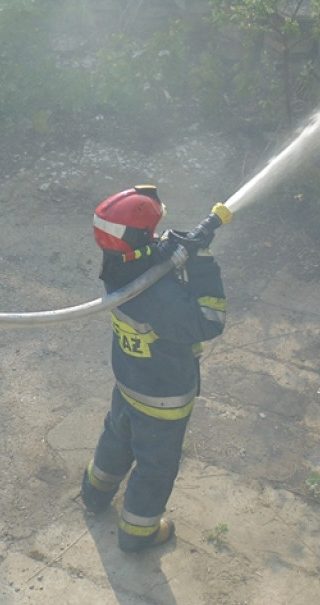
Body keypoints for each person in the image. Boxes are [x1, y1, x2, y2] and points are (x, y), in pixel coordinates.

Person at [81, 185, 230, 552]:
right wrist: (202, 262)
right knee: (155, 467)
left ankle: (94, 493)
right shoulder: (159, 297)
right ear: (141, 238)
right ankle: (138, 533)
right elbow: (208, 321)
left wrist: (168, 250)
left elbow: (148, 265)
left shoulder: (118, 269)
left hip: (128, 383)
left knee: (116, 437)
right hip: (163, 398)